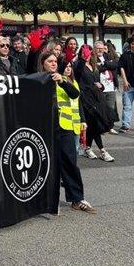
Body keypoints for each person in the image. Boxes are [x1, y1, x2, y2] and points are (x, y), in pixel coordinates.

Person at [39, 51, 96, 214]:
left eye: (55, 61)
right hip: (46, 128)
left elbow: (75, 94)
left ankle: (77, 199)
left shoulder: (64, 79)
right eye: (49, 61)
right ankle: (43, 201)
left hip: (65, 127)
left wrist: (62, 81)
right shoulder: (38, 78)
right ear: (42, 63)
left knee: (70, 163)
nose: (53, 63)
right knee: (45, 164)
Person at [73, 45, 114, 162]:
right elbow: (78, 73)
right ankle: (102, 150)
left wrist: (101, 86)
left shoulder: (94, 65)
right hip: (85, 98)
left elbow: (99, 79)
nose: (87, 55)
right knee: (94, 122)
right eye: (84, 53)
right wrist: (82, 59)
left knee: (93, 124)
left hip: (96, 97)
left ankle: (88, 148)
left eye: (88, 53)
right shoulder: (77, 65)